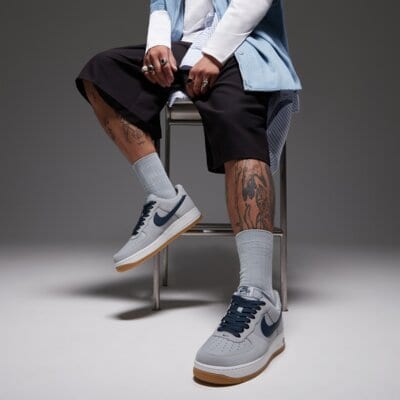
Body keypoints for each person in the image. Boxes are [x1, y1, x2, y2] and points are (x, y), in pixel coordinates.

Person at [74, 0, 302, 385]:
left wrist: (214, 54)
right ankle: (166, 201)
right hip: (186, 49)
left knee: (239, 120)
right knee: (102, 73)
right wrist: (157, 45)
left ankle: (260, 299)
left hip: (240, 47)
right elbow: (162, 5)